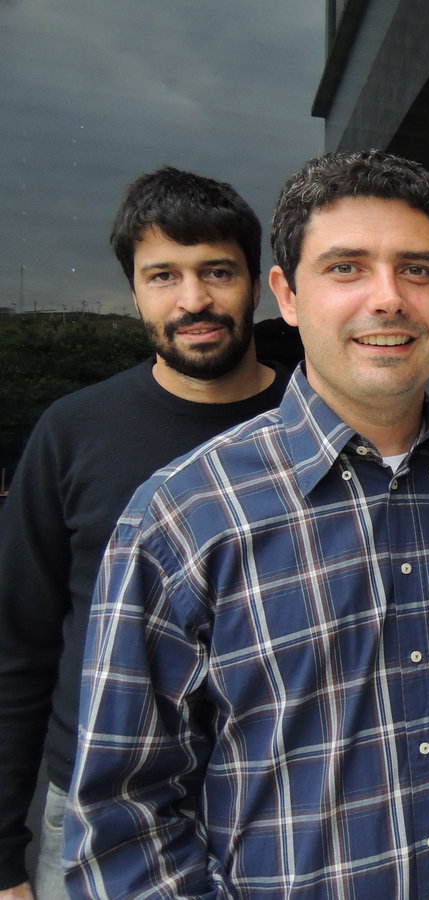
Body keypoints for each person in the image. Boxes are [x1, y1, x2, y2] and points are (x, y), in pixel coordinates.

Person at [63, 150, 429, 900]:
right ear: (286, 295)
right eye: (346, 267)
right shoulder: (184, 518)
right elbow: (124, 819)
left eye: (417, 269)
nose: (388, 298)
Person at [0, 167, 288, 900]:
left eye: (217, 271)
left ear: (257, 286)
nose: (193, 300)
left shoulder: (316, 423)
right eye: (163, 276)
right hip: (98, 810)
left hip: (285, 806)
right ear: (134, 290)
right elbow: (17, 649)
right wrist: (1, 859)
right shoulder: (72, 434)